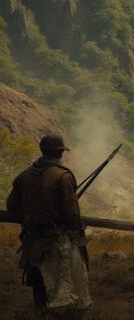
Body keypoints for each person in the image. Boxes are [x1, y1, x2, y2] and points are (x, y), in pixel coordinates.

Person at [6, 135, 92, 317]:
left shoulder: (25, 175)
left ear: (43, 151)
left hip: (32, 238)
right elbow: (72, 213)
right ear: (60, 153)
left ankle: (40, 312)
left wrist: (27, 220)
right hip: (57, 240)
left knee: (38, 278)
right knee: (63, 281)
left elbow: (12, 206)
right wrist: (78, 231)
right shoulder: (63, 176)